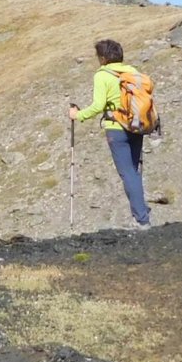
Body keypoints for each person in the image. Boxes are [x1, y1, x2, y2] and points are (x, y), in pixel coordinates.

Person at [69, 38, 151, 227]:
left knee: (128, 173)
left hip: (116, 128)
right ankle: (140, 214)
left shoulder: (102, 75)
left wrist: (78, 115)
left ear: (104, 58)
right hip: (136, 125)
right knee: (133, 171)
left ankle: (142, 220)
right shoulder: (133, 72)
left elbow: (98, 105)